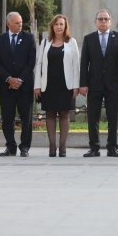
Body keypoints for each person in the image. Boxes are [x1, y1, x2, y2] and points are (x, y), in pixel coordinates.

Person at [79, 10, 118, 158]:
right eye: (100, 19)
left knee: (113, 117)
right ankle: (94, 148)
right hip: (94, 84)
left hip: (113, 84)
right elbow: (84, 63)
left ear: (110, 21)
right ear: (96, 22)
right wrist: (83, 84)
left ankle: (112, 148)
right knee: (93, 117)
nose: (103, 22)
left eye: (106, 19)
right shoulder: (89, 39)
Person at [34, 14, 80, 158]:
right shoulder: (44, 43)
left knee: (65, 114)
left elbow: (76, 66)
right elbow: (39, 64)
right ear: (52, 27)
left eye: (61, 24)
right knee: (50, 114)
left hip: (66, 85)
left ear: (65, 27)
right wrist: (37, 85)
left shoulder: (72, 42)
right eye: (56, 24)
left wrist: (76, 86)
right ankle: (52, 146)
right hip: (48, 84)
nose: (59, 27)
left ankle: (63, 147)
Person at [0, 12, 36, 157]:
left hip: (25, 86)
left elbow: (31, 62)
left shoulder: (29, 38)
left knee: (26, 118)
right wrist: (9, 78)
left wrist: (19, 80)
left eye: (21, 22)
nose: (20, 25)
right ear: (8, 24)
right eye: (17, 23)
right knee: (7, 118)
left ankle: (25, 147)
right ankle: (10, 147)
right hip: (6, 86)